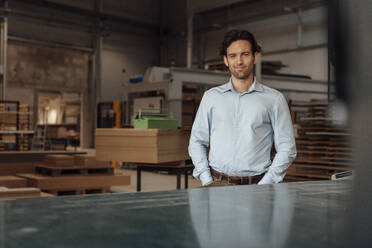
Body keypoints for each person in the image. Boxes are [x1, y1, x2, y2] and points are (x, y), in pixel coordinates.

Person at [188, 29, 296, 186]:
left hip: (257, 187)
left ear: (255, 56)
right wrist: (206, 179)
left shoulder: (274, 100)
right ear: (225, 60)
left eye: (245, 54)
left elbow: (287, 148)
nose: (239, 61)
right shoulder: (211, 97)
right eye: (233, 56)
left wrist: (265, 184)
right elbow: (197, 141)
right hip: (217, 184)